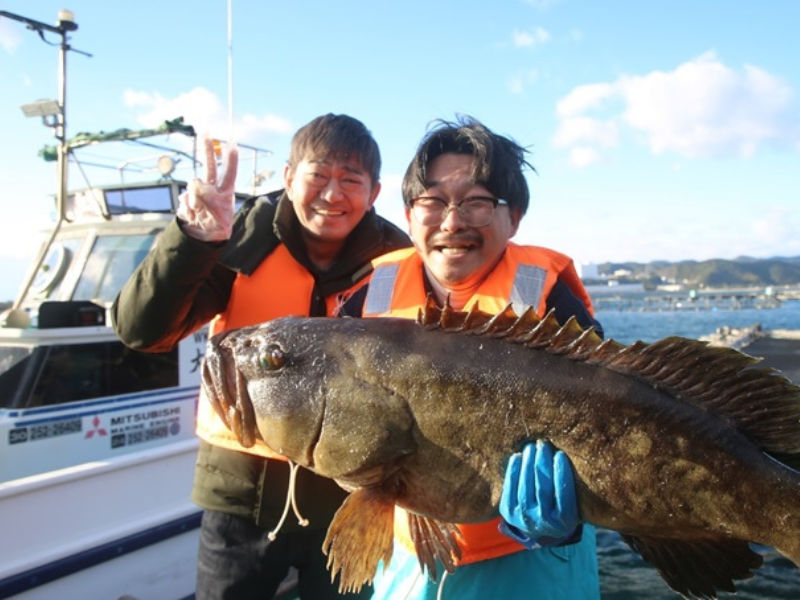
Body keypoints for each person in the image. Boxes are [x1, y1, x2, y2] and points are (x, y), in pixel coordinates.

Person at [111, 114, 411, 599]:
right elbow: (142, 332)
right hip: (238, 495)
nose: (332, 194)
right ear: (289, 177)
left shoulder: (397, 260)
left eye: (350, 181)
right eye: (317, 175)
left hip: (352, 500)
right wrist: (192, 240)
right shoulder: (239, 235)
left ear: (373, 192)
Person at [340, 116, 602, 599]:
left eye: (477, 202)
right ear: (409, 212)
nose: (453, 221)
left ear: (514, 216)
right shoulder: (361, 306)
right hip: (407, 565)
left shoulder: (551, 305)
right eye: (433, 201)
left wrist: (566, 519)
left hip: (534, 565)